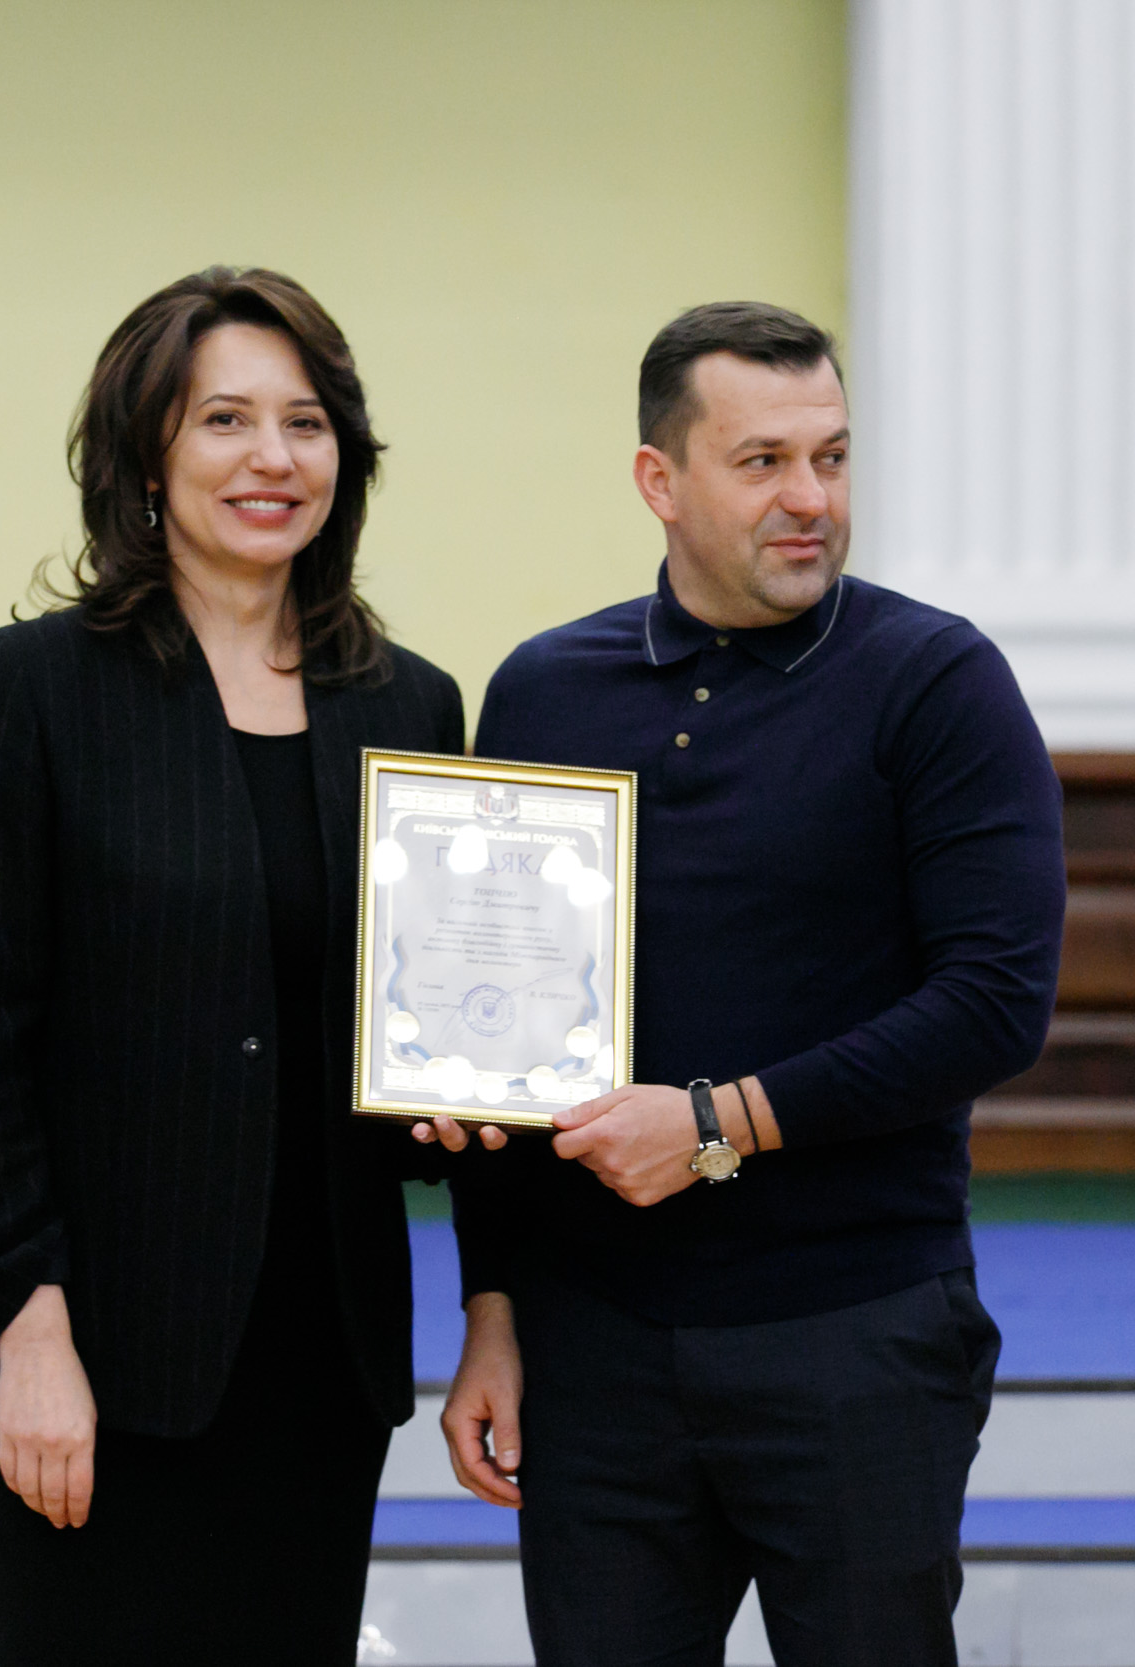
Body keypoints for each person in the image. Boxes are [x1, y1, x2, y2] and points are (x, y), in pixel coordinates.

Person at [438, 302, 1067, 1665]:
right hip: (592, 1349)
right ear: (659, 480)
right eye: (764, 462)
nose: (811, 500)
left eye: (831, 458)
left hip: (856, 1335)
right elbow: (500, 1040)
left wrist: (715, 1127)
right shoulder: (543, 692)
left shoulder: (936, 681)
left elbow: (994, 1002)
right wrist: (492, 1312)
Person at [0, 267, 467, 1664]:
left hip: (323, 1352)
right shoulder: (30, 690)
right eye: (226, 419)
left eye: (306, 422)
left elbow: (412, 1026)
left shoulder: (409, 704)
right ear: (146, 454)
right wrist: (26, 1332)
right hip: (93, 1347)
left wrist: (459, 1101)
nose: (272, 457)